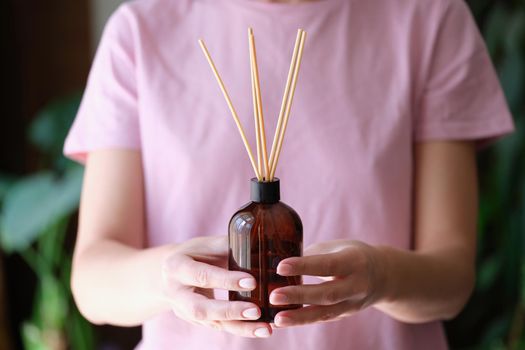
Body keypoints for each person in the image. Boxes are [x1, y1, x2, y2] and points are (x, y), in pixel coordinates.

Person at [63, 0, 515, 348]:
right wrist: (169, 277)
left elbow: (452, 279)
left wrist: (381, 275)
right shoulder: (140, 30)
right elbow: (93, 279)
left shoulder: (429, 18)